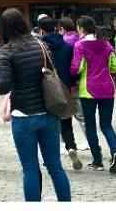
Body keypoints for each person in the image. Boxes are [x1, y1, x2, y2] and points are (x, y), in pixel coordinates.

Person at [0, 8, 71, 201]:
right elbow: (51, 72)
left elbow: (3, 86)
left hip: (23, 116)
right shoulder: (42, 44)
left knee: (30, 169)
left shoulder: (7, 51)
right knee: (55, 167)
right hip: (49, 112)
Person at [70, 16, 116, 173]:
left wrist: (72, 74)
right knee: (106, 125)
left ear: (81, 28)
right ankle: (115, 151)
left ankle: (97, 161)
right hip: (107, 89)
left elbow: (77, 68)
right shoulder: (106, 44)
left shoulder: (80, 45)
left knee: (91, 126)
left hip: (88, 90)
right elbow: (115, 67)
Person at [39, 15, 81, 170]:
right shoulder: (67, 47)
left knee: (48, 125)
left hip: (46, 89)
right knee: (66, 122)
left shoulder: (40, 47)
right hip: (65, 87)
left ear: (41, 30)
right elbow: (73, 69)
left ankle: (50, 157)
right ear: (56, 28)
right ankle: (71, 147)